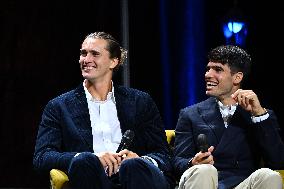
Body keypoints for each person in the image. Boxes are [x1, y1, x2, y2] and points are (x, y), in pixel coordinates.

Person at [33, 32, 174, 189]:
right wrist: (92, 158)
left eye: (95, 54)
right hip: (94, 179)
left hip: (135, 178)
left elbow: (163, 155)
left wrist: (141, 159)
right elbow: (42, 157)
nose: (86, 60)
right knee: (83, 162)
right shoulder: (59, 106)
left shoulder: (140, 101)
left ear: (114, 61)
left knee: (133, 166)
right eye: (83, 53)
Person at [173, 45, 284, 189]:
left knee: (269, 176)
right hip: (204, 181)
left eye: (217, 70)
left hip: (241, 184)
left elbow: (277, 161)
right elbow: (176, 163)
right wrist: (192, 163)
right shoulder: (190, 114)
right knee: (205, 171)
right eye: (208, 69)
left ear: (237, 77)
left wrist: (258, 114)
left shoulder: (260, 115)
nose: (208, 74)